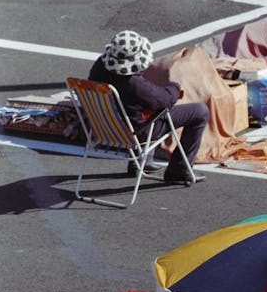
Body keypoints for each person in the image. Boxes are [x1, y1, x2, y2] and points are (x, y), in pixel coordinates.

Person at [89, 30, 209, 185]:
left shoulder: (99, 68)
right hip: (134, 132)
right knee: (200, 112)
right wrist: (174, 87)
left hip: (103, 126)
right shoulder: (135, 85)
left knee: (140, 108)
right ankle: (179, 170)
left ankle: (141, 163)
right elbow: (164, 100)